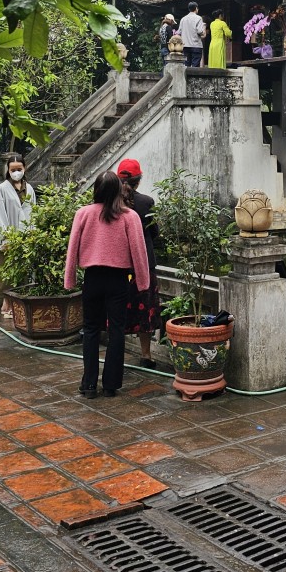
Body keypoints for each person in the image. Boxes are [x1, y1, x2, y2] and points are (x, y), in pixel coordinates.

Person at [64, 170, 150, 398]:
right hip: (118, 280)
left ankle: (89, 384)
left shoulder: (83, 213)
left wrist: (69, 279)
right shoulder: (129, 216)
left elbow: (72, 249)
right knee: (117, 330)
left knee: (91, 330)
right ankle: (111, 384)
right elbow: (139, 252)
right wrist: (143, 282)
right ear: (118, 191)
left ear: (96, 190)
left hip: (92, 278)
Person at [117, 158, 165, 370]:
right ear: (138, 181)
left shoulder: (111, 204)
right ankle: (146, 354)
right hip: (143, 264)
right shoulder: (146, 202)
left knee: (118, 309)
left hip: (119, 264)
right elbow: (155, 233)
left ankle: (116, 353)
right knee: (145, 309)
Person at [0, 153, 37, 316]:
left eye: (19, 169)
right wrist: (7, 237)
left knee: (21, 273)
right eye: (13, 169)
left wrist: (32, 234)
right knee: (5, 272)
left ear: (24, 168)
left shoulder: (29, 188)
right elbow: (0, 215)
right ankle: (3, 303)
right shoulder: (2, 189)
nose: (16, 172)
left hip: (24, 238)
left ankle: (16, 304)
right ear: (8, 170)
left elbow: (33, 212)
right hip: (7, 239)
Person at [178, 1, 207, 68]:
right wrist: (204, 31)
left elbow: (179, 31)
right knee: (195, 66)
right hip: (196, 45)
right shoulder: (198, 18)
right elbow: (199, 31)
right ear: (196, 8)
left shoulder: (183, 19)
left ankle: (186, 78)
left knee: (186, 65)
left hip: (185, 45)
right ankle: (194, 78)